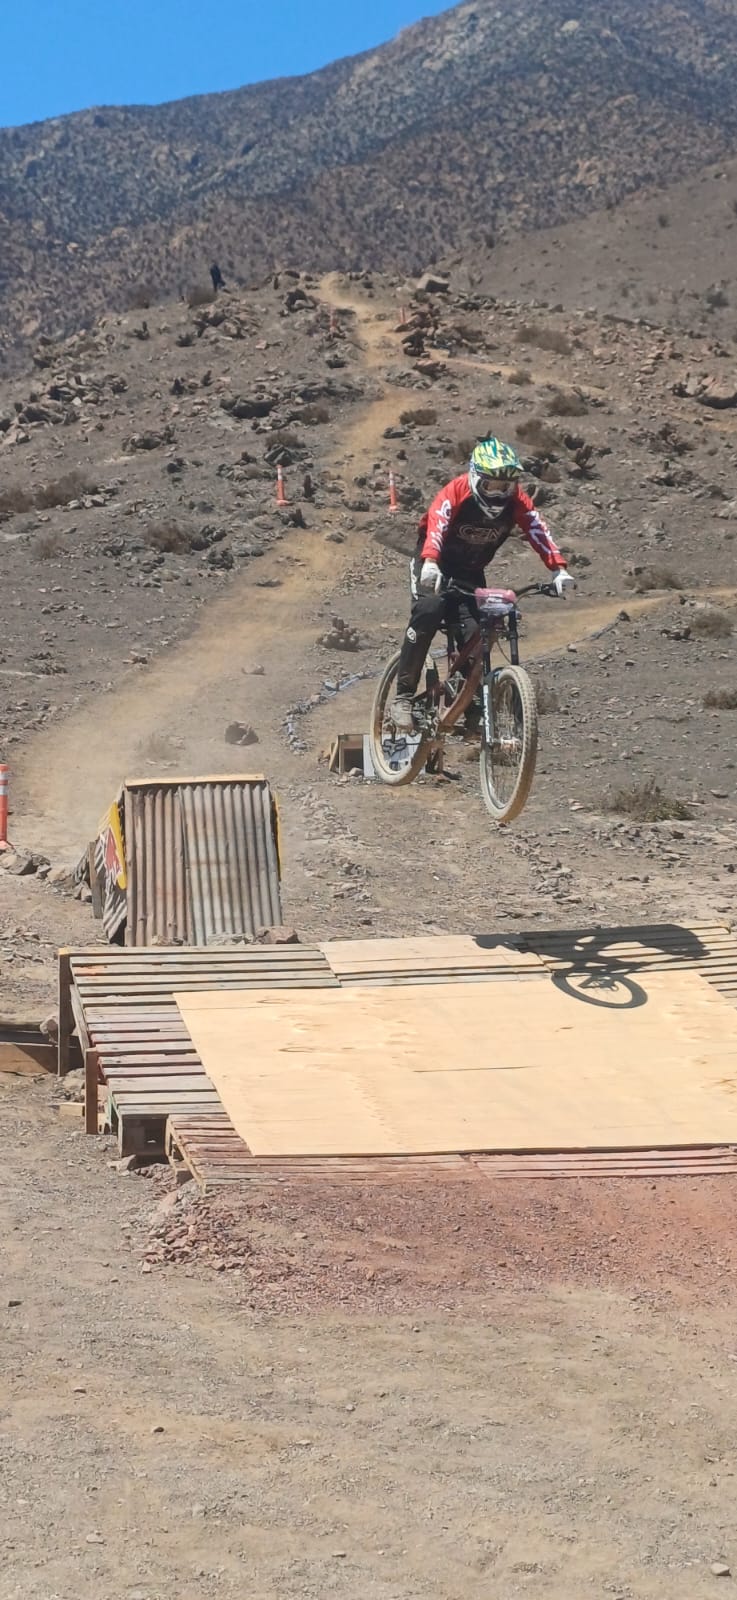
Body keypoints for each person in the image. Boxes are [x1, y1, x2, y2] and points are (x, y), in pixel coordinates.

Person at [392, 437, 574, 731]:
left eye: (506, 486)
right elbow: (437, 524)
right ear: (476, 477)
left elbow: (537, 527)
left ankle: (472, 701)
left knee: (479, 631)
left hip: (470, 571)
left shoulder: (516, 502)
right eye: (492, 485)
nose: (500, 493)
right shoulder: (456, 491)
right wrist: (430, 561)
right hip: (433, 563)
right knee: (429, 609)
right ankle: (402, 697)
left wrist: (558, 570)